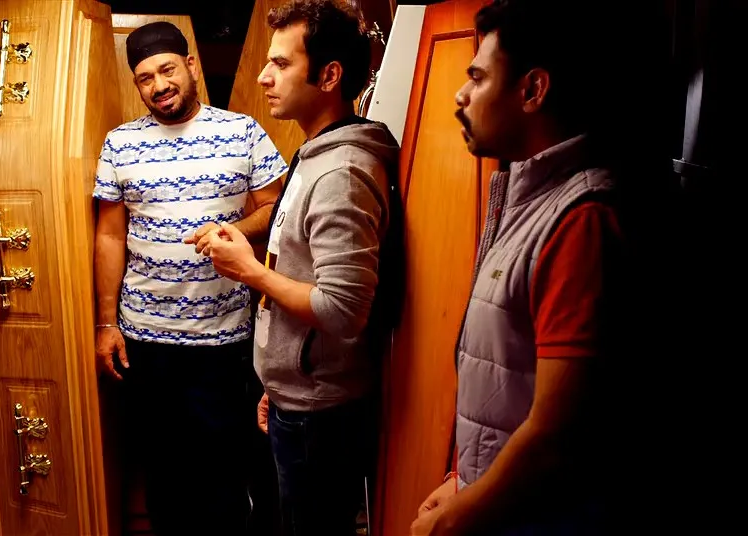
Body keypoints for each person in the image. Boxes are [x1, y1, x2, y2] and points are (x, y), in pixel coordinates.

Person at [409, 1, 627, 534]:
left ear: (532, 90)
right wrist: (464, 478)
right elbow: (505, 388)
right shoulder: (529, 198)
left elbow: (554, 433)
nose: (460, 96)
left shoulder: (581, 219)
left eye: (478, 77)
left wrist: (462, 514)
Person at [201, 1, 400, 534]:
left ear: (329, 76)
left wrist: (249, 270)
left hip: (323, 417)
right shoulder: (316, 155)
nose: (264, 77)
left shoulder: (342, 173)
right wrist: (279, 381)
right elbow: (306, 271)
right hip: (301, 400)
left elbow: (342, 311)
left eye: (282, 63)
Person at [91, 21, 288, 536]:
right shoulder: (120, 143)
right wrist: (106, 323)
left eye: (167, 70)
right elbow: (109, 235)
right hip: (146, 341)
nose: (159, 85)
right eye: (145, 78)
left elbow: (276, 209)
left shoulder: (242, 131)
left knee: (226, 475)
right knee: (163, 478)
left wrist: (233, 230)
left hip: (225, 340)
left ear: (191, 66)